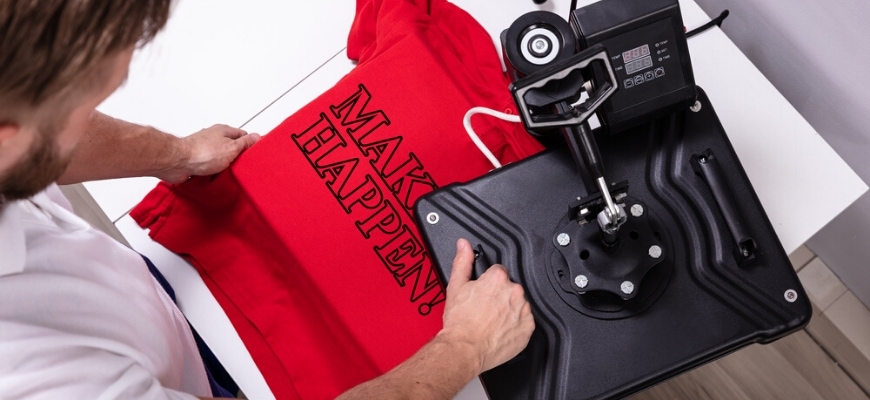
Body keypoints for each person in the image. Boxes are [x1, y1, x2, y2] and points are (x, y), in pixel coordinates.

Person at [0, 2, 535, 399]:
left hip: (155, 300)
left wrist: (180, 155)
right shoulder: (41, 377)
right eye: (89, 99)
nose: (97, 108)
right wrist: (465, 347)